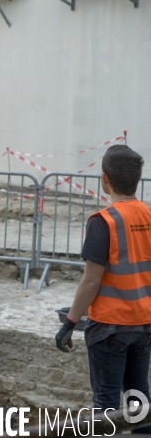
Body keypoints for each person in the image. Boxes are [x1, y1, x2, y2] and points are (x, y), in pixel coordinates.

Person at [56, 145, 151, 433]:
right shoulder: (148, 215)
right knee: (139, 402)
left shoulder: (103, 222)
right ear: (136, 178)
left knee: (105, 407)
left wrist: (70, 323)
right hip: (143, 324)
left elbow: (91, 281)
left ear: (104, 179)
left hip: (109, 327)